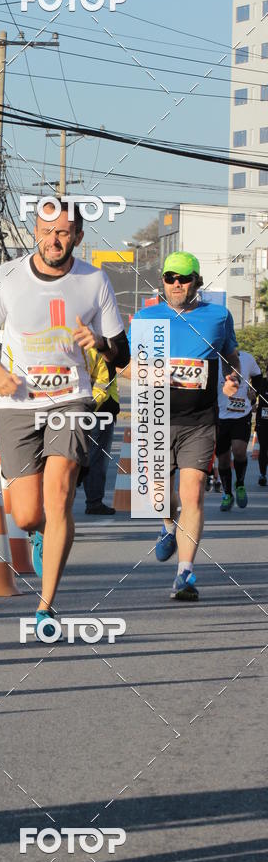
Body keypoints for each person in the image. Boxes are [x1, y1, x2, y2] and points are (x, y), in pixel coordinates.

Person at [0, 202, 129, 640]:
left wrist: (98, 342)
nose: (53, 240)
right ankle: (40, 532)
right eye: (46, 231)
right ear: (35, 233)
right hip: (19, 403)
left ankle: (46, 605)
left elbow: (122, 353)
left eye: (63, 232)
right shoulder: (8, 275)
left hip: (70, 400)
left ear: (78, 237)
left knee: (59, 494)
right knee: (25, 515)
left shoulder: (94, 280)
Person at [121, 252, 240, 601]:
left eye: (184, 278)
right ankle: (167, 525)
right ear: (162, 281)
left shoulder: (218, 316)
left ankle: (184, 574)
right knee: (160, 498)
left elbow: (229, 355)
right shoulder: (146, 318)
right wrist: (152, 372)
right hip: (154, 416)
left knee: (194, 492)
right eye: (171, 277)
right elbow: (123, 367)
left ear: (196, 282)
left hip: (199, 421)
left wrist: (231, 377)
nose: (177, 284)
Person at [216, 349, 261, 510]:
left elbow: (257, 376)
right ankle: (227, 493)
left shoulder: (247, 358)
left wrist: (254, 392)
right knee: (223, 459)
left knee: (240, 451)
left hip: (242, 415)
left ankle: (240, 484)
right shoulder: (213, 358)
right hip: (219, 416)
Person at [81, 344, 121, 515]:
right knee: (97, 458)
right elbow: (106, 377)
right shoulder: (100, 346)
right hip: (100, 407)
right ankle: (94, 502)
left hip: (75, 408)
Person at [256, 361, 268, 486]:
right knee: (263, 448)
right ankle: (262, 474)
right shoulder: (262, 383)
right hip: (263, 422)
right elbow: (252, 397)